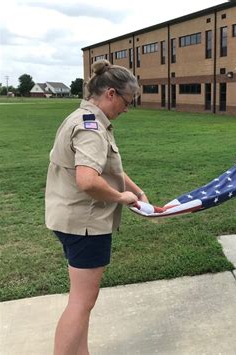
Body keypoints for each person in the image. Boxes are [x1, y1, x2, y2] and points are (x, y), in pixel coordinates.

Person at [45, 59, 148, 354]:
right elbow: (88, 180)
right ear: (111, 94)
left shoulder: (84, 117)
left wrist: (136, 190)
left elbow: (107, 169)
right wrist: (120, 197)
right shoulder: (91, 128)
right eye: (128, 101)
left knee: (82, 302)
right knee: (81, 303)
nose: (127, 108)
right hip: (86, 225)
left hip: (72, 220)